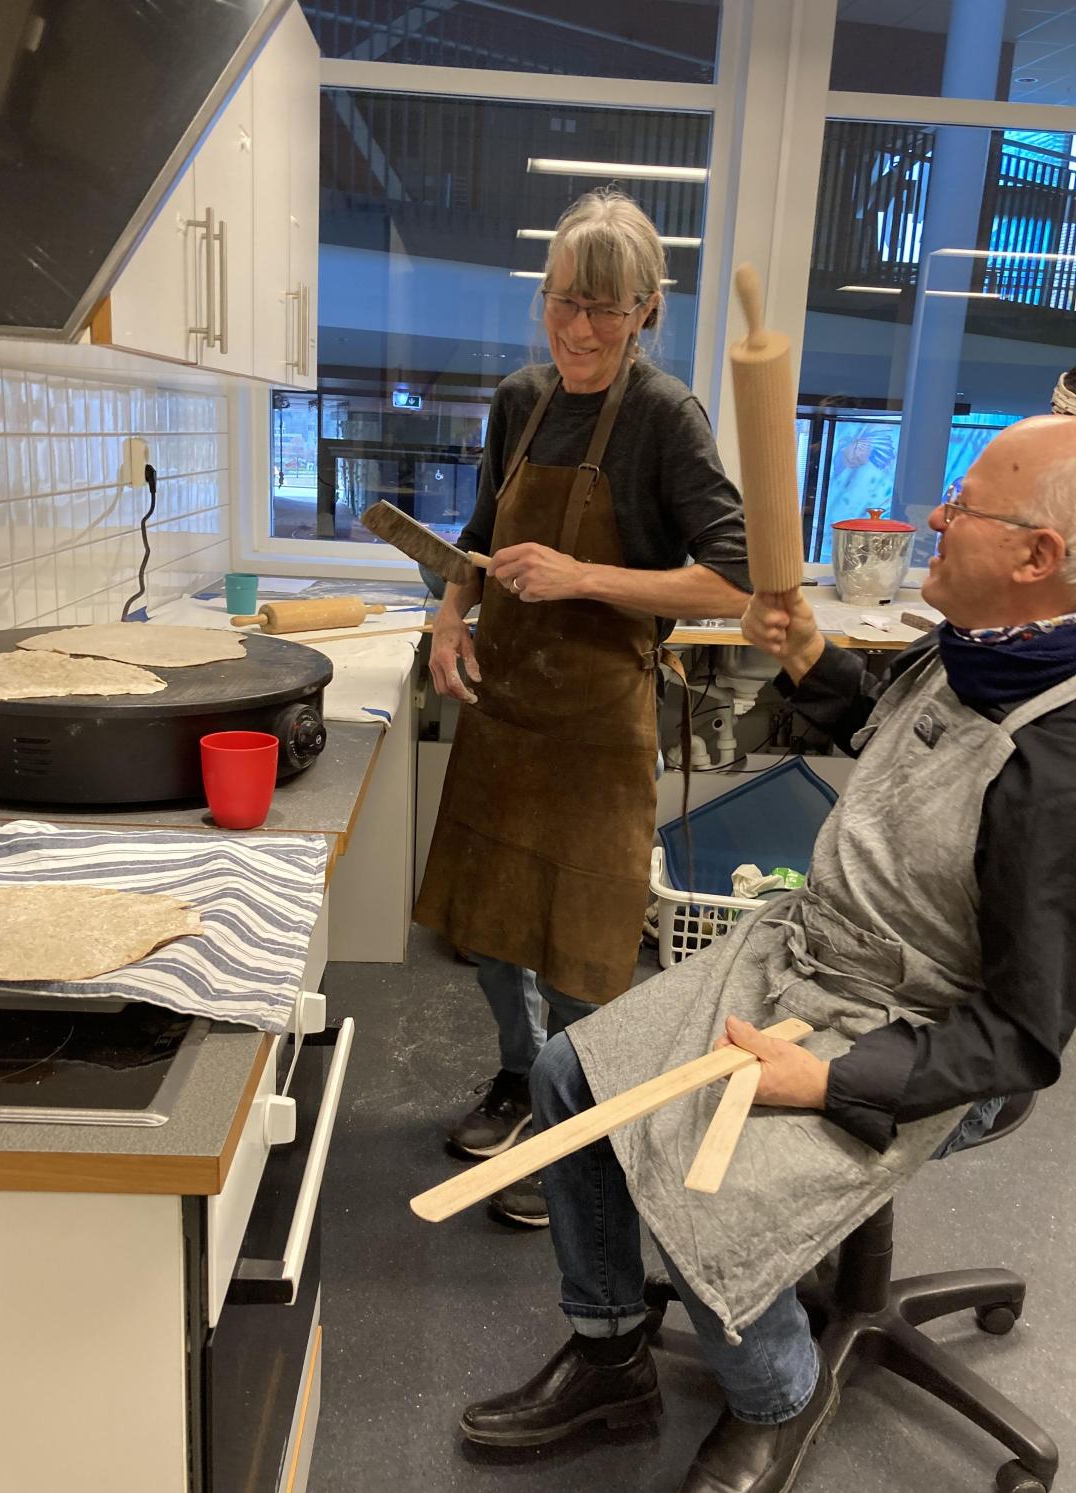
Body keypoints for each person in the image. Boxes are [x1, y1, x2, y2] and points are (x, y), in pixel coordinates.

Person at [458, 414, 1076, 1492]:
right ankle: (610, 1356)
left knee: (702, 1178)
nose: (934, 517)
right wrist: (801, 654)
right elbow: (883, 736)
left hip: (921, 1037)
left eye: (963, 506)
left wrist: (829, 1080)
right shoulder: (972, 647)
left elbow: (1021, 1039)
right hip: (801, 952)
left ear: (1037, 556)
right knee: (569, 1073)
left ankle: (776, 1397)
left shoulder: (1058, 765)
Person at [414, 189, 750, 1226]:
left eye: (605, 307)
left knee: (580, 952)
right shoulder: (519, 399)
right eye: (563, 300)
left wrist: (583, 576)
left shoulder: (666, 417)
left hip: (600, 724)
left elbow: (734, 579)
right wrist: (450, 615)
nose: (578, 328)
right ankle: (522, 1077)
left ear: (646, 309)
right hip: (504, 709)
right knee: (487, 929)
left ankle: (574, 1129)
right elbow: (478, 538)